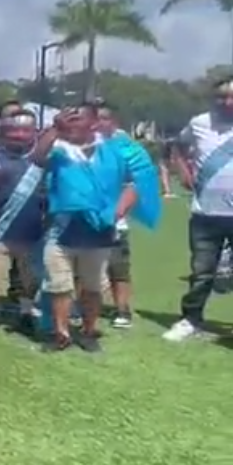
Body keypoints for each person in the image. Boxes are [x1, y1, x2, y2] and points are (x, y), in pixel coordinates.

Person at [29, 104, 139, 353]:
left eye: (76, 119)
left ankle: (89, 331)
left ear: (93, 123)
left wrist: (118, 211)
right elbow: (36, 158)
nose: (70, 123)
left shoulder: (114, 151)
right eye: (67, 119)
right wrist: (55, 129)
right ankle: (61, 333)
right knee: (59, 284)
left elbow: (132, 185)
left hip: (99, 230)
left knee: (92, 286)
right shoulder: (58, 148)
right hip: (61, 229)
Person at [163, 74, 233, 341]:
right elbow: (177, 148)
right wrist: (183, 171)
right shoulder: (199, 123)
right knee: (201, 272)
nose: (228, 102)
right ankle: (190, 319)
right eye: (222, 96)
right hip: (205, 213)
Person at [0, 107, 43, 334]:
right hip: (1, 229)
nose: (19, 135)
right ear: (6, 132)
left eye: (25, 130)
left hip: (32, 230)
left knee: (28, 279)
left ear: (34, 132)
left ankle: (26, 314)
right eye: (15, 130)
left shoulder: (41, 160)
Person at [95, 103, 136, 328]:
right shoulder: (81, 147)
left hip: (115, 220)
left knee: (117, 267)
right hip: (85, 218)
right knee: (81, 266)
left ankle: (122, 309)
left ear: (113, 122)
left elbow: (133, 185)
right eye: (95, 118)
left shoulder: (124, 149)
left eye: (104, 118)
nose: (98, 123)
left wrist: (118, 212)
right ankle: (81, 307)